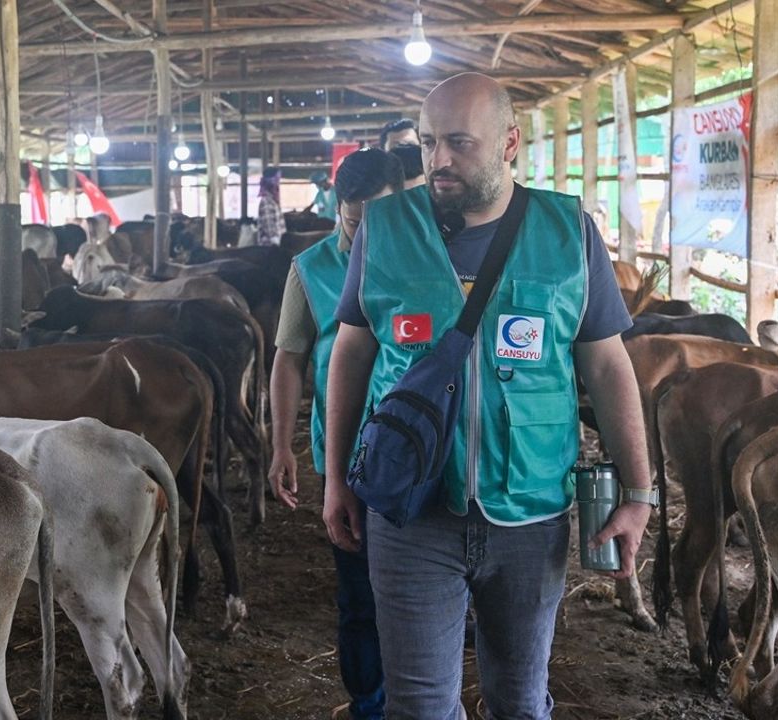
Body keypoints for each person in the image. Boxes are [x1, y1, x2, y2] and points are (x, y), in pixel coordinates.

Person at [323, 73, 652, 719]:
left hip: (531, 511)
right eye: (427, 143)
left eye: (459, 142)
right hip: (411, 510)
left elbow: (607, 364)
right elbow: (351, 352)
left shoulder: (567, 230)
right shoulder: (384, 227)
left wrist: (639, 492)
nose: (438, 160)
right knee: (419, 707)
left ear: (509, 143)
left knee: (520, 700)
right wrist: (337, 478)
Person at [270, 149, 405, 720]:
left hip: (423, 452)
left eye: (379, 220)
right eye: (353, 222)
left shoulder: (430, 258)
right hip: (347, 456)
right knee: (358, 592)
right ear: (338, 211)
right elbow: (288, 359)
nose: (365, 234)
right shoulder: (311, 269)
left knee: (426, 587)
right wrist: (281, 444)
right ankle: (369, 703)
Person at [257, 170, 285, 246]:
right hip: (270, 245)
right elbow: (269, 225)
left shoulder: (272, 200)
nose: (278, 183)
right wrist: (276, 242)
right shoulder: (266, 201)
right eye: (277, 179)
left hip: (277, 242)